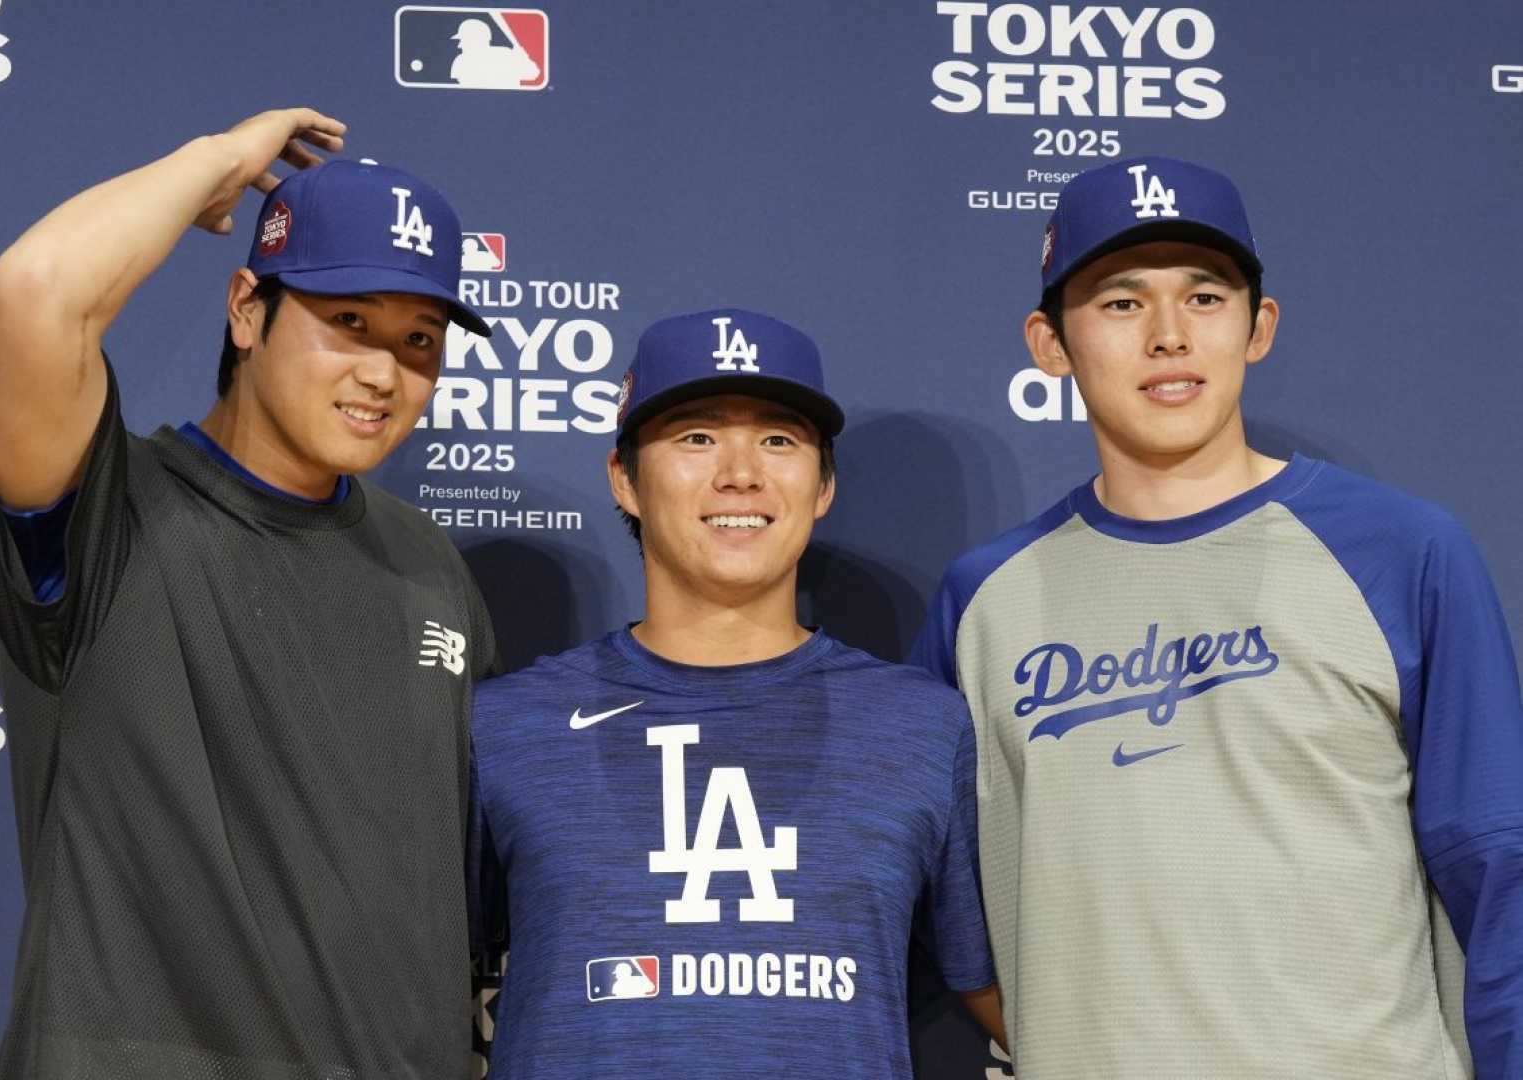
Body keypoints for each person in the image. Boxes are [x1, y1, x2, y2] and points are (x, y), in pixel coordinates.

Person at [911, 155, 1523, 1078]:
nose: (1169, 336)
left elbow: (1498, 870)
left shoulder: (1404, 552)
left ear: (1257, 326)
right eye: (1121, 303)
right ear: (1050, 343)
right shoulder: (983, 598)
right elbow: (943, 903)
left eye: (1205, 297)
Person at [0, 108, 497, 1078]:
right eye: (348, 323)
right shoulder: (106, 510)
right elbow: (33, 296)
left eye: (420, 340)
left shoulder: (429, 565)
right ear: (248, 310)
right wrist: (212, 162)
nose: (384, 372)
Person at [467, 309, 1004, 1077]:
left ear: (823, 487)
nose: (741, 473)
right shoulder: (507, 728)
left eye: (779, 440)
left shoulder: (923, 727)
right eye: (696, 437)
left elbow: (1011, 997)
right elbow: (403, 984)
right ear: (624, 478)